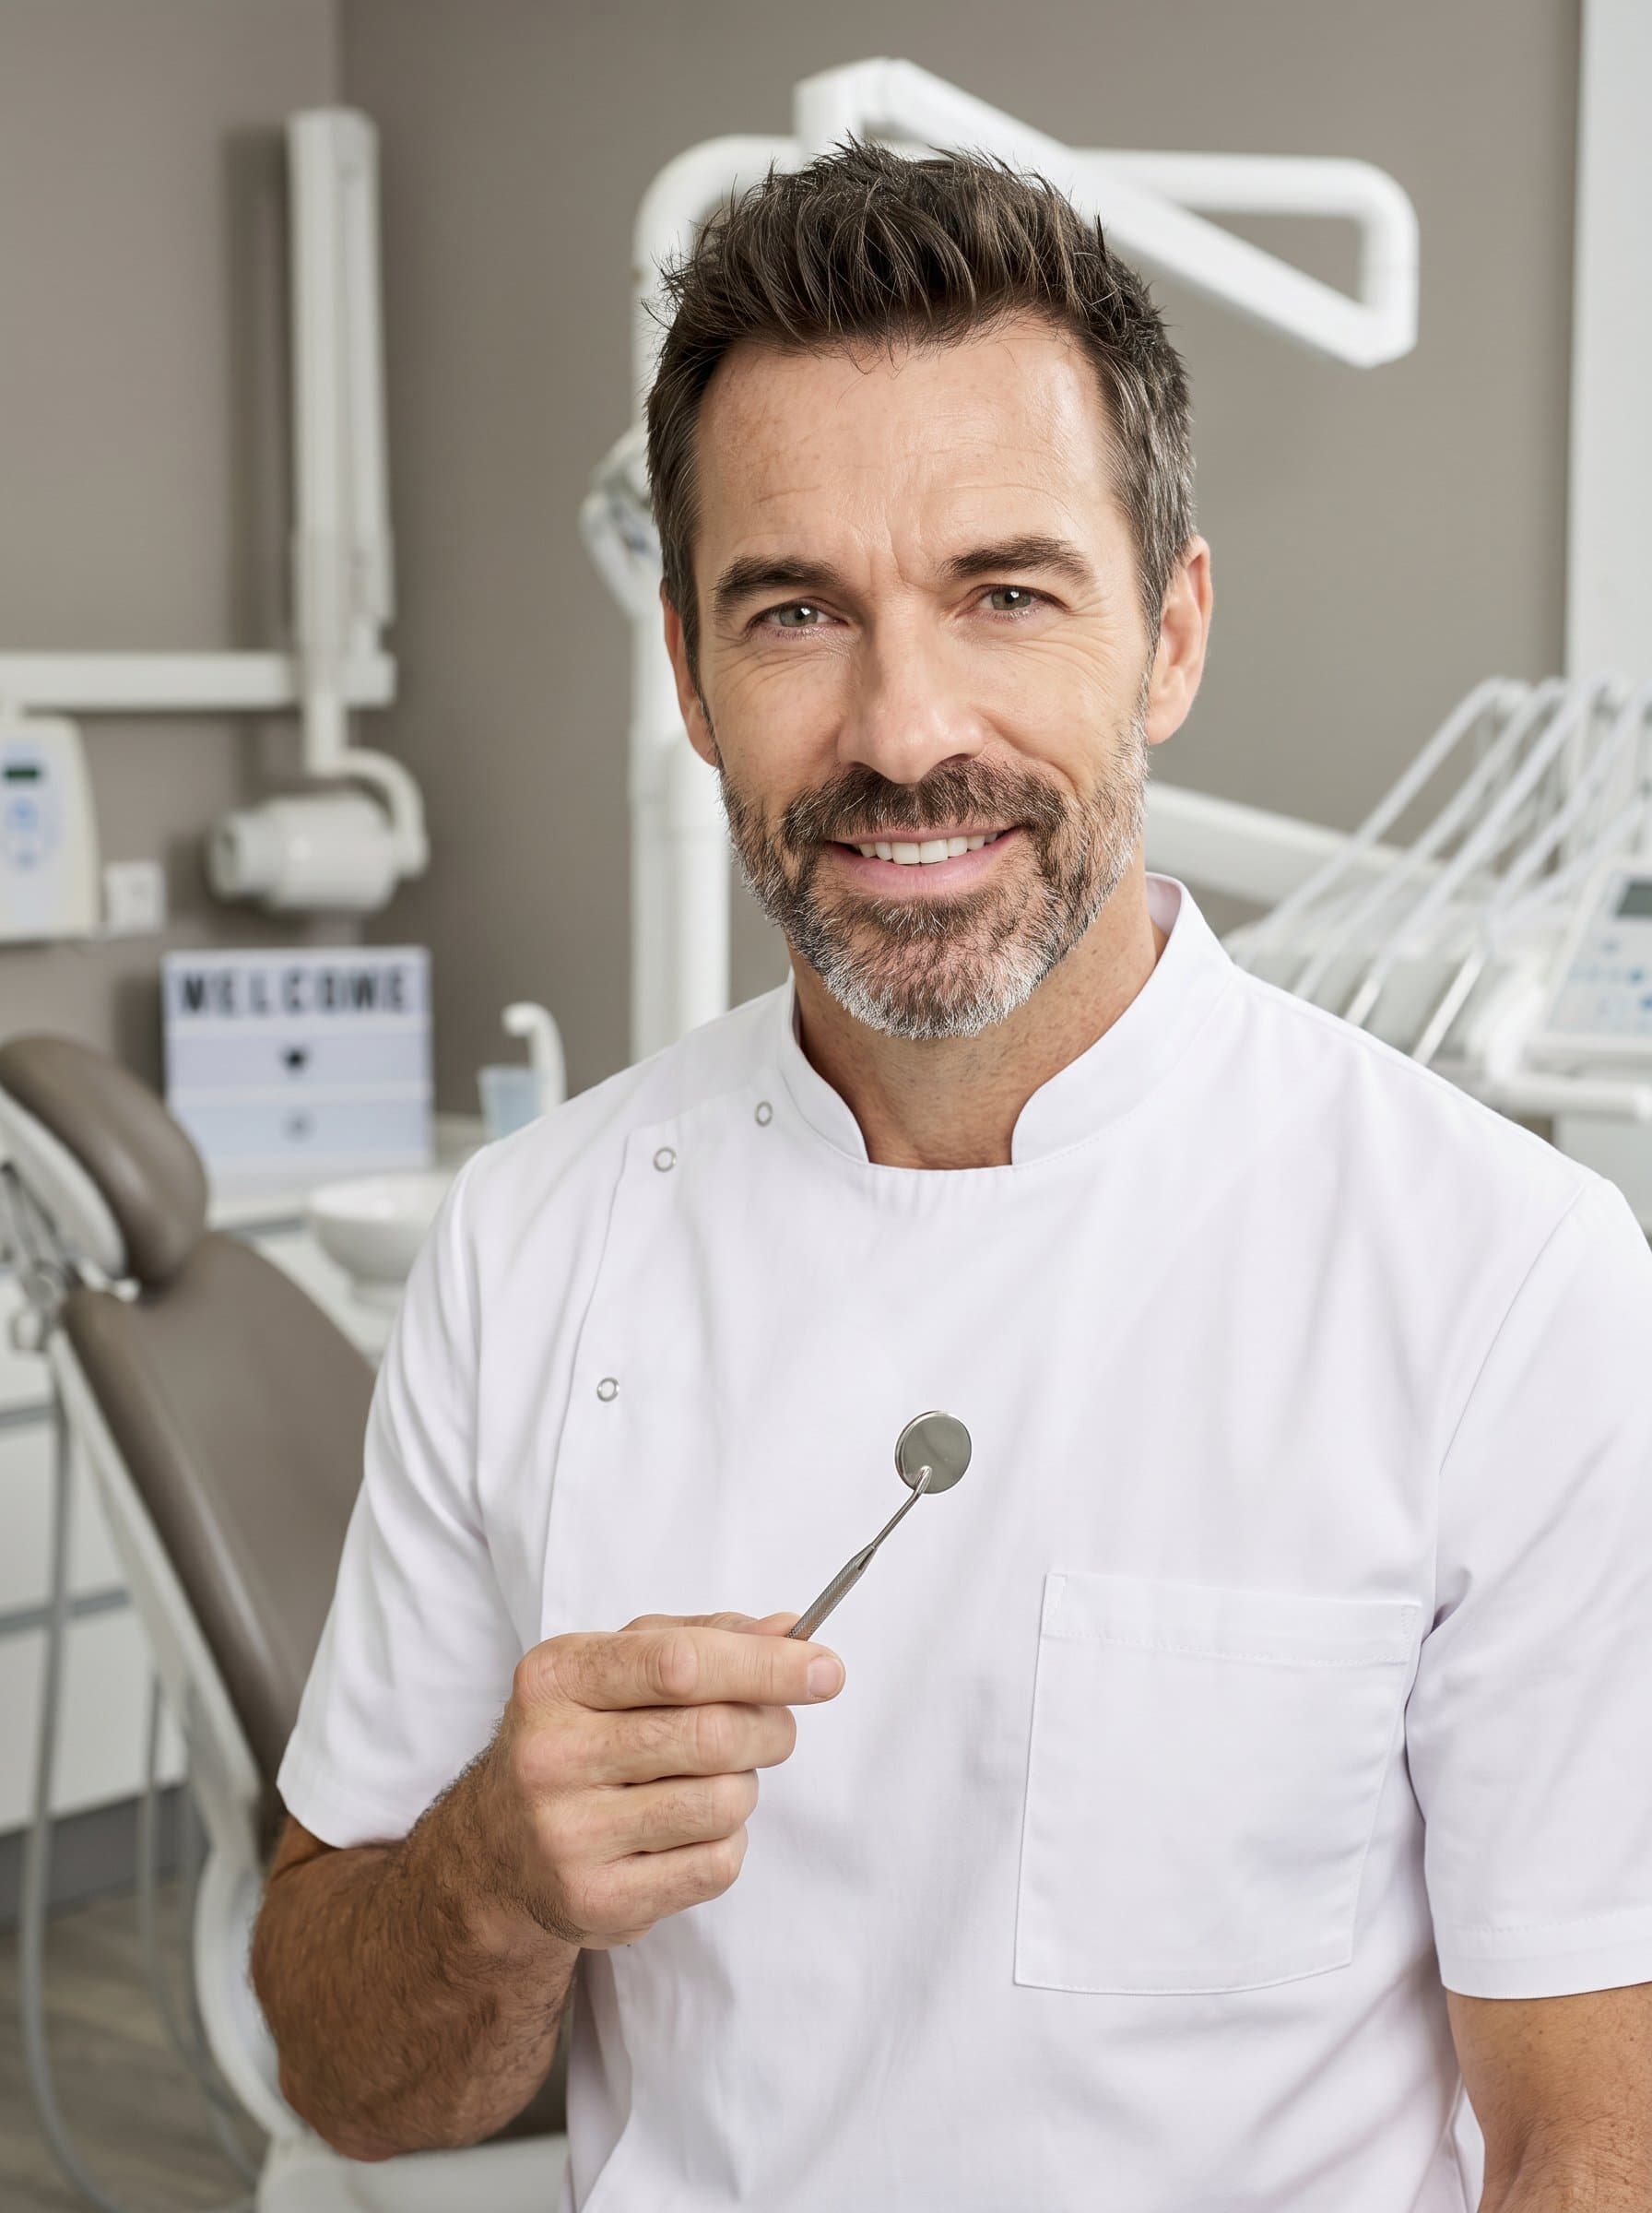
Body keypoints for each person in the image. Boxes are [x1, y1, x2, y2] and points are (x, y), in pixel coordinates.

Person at [250, 144, 1652, 2210]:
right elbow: (350, 2085)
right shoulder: (530, 1242)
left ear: (1165, 634)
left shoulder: (1499, 1278)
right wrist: (488, 1877)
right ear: (688, 680)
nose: (903, 730)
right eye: (795, 610)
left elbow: (1584, 2133)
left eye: (1004, 592)